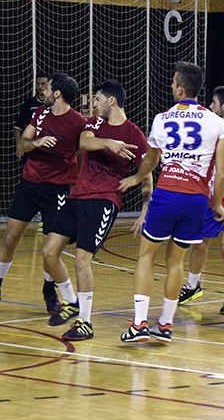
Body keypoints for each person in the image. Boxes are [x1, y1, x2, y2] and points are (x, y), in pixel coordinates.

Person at [118, 62, 224, 343]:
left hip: (168, 193)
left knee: (146, 256)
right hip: (196, 200)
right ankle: (165, 324)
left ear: (180, 89)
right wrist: (216, 204)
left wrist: (137, 178)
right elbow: (223, 172)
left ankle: (139, 323)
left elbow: (151, 159)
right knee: (176, 262)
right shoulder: (218, 123)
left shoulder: (162, 118)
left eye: (172, 83)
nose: (171, 87)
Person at [41, 80, 152, 340]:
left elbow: (146, 174)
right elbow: (85, 142)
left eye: (99, 99)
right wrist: (109, 143)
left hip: (104, 201)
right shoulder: (94, 124)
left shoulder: (134, 133)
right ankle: (71, 300)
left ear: (111, 101)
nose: (95, 103)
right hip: (77, 196)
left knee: (82, 259)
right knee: (49, 251)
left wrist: (145, 209)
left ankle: (85, 322)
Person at [0, 73, 87, 316]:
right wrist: (36, 143)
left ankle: (49, 291)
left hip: (57, 189)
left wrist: (77, 184)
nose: (45, 92)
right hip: (29, 184)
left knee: (51, 246)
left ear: (57, 94)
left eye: (48, 89)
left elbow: (82, 156)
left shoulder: (78, 123)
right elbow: (22, 145)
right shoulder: (40, 114)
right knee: (10, 238)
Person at [179, 86, 224, 315]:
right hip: (213, 196)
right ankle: (192, 286)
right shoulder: (212, 131)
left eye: (214, 102)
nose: (210, 106)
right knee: (199, 244)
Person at [14, 72, 51, 158]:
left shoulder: (54, 103)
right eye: (37, 84)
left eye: (43, 84)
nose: (40, 86)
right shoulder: (29, 103)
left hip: (49, 148)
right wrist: (19, 145)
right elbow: (17, 127)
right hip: (31, 146)